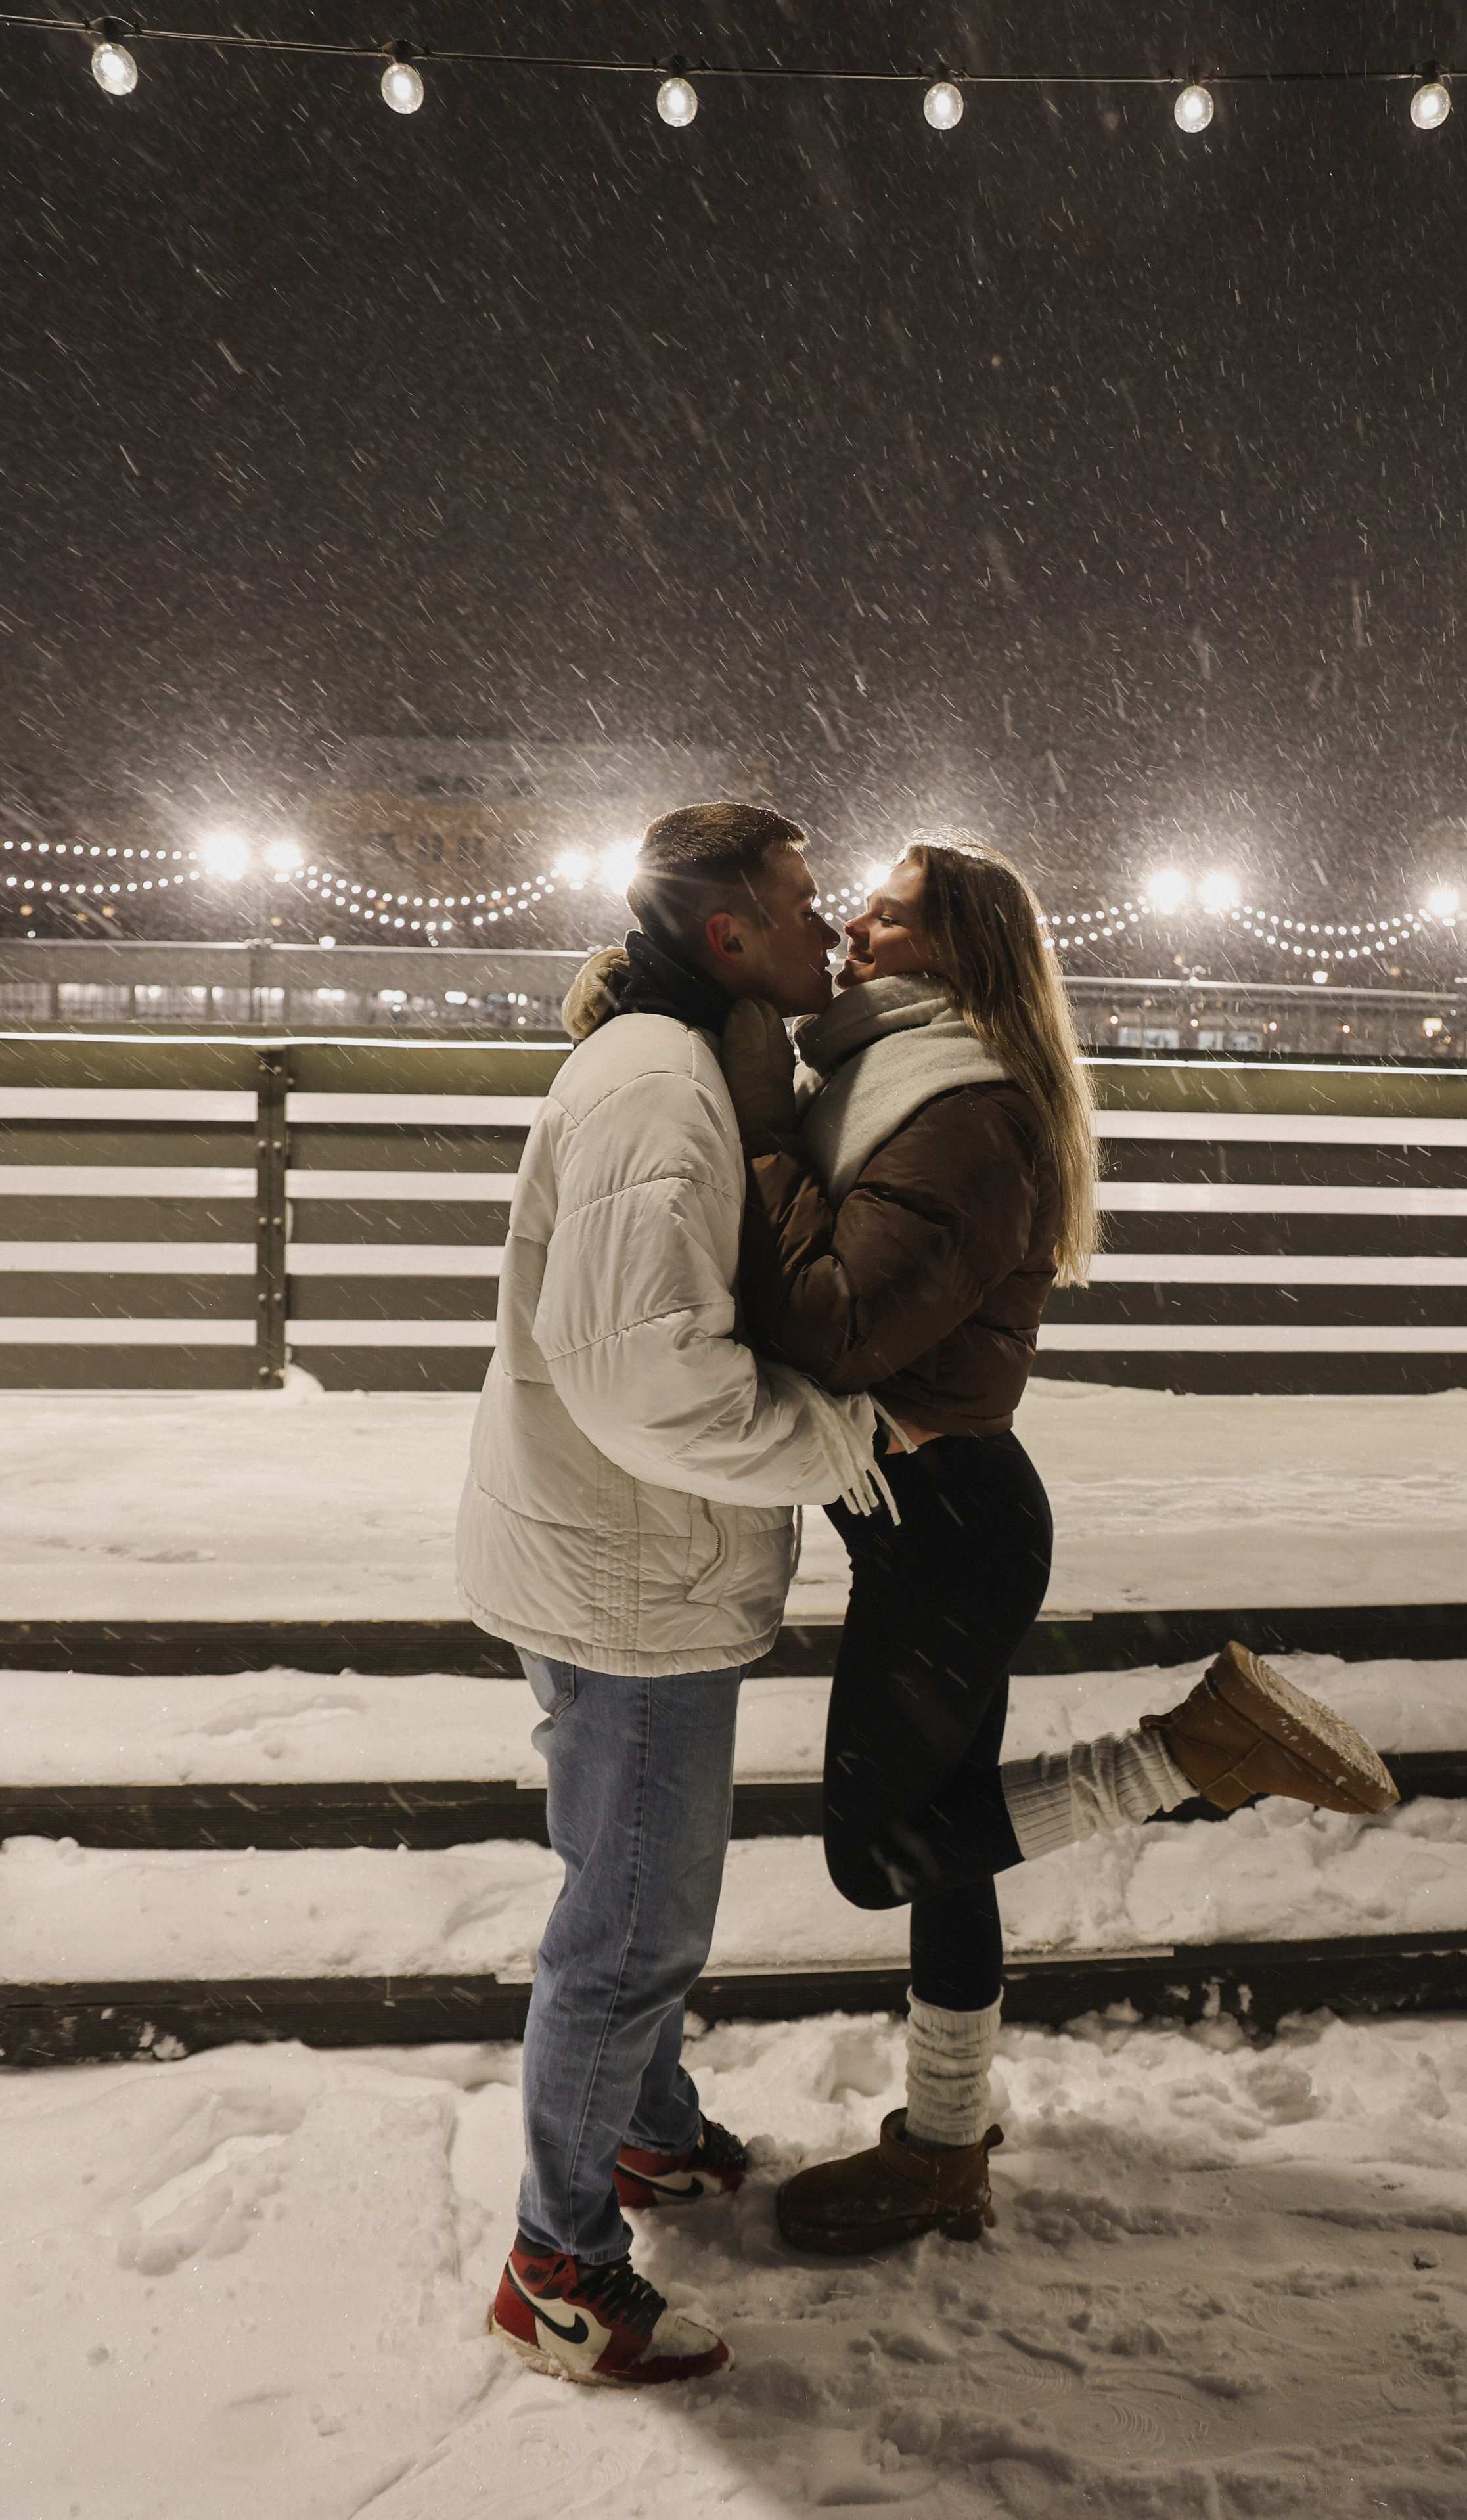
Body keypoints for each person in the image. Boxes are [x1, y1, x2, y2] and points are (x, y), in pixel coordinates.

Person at [718, 835, 1398, 2255]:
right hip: (939, 1516)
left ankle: (1192, 1754)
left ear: (955, 955)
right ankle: (945, 2150)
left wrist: (764, 1142)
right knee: (942, 1856)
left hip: (949, 1529)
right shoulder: (899, 1079)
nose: (851, 927)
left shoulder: (959, 1114)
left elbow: (841, 1327)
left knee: (872, 1856)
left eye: (888, 919)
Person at [456, 801, 890, 2387]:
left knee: (625, 1887)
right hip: (626, 1576)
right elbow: (648, 1383)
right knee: (629, 1930)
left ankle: (641, 2133)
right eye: (799, 904)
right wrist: (841, 1435)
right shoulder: (661, 1090)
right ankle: (558, 2268)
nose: (826, 928)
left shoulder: (675, 1063)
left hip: (604, 1554)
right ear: (727, 940)